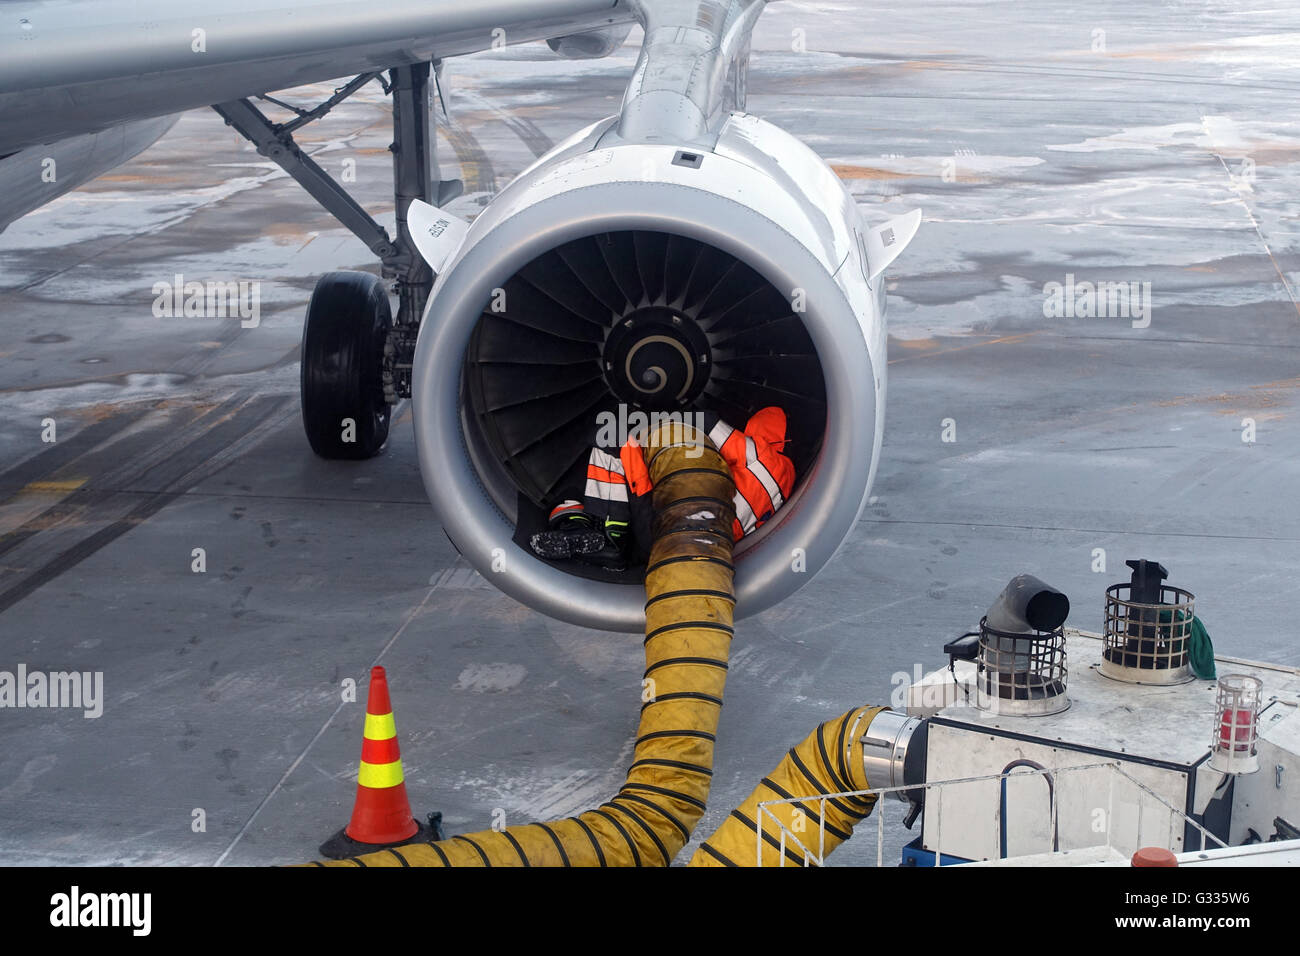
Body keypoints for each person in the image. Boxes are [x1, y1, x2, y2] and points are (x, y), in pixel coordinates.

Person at [530, 406, 795, 568]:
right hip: (699, 550)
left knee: (613, 438)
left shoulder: (763, 456)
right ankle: (608, 534)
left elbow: (703, 421)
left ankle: (609, 537)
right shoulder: (785, 493)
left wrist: (651, 425)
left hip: (665, 531)